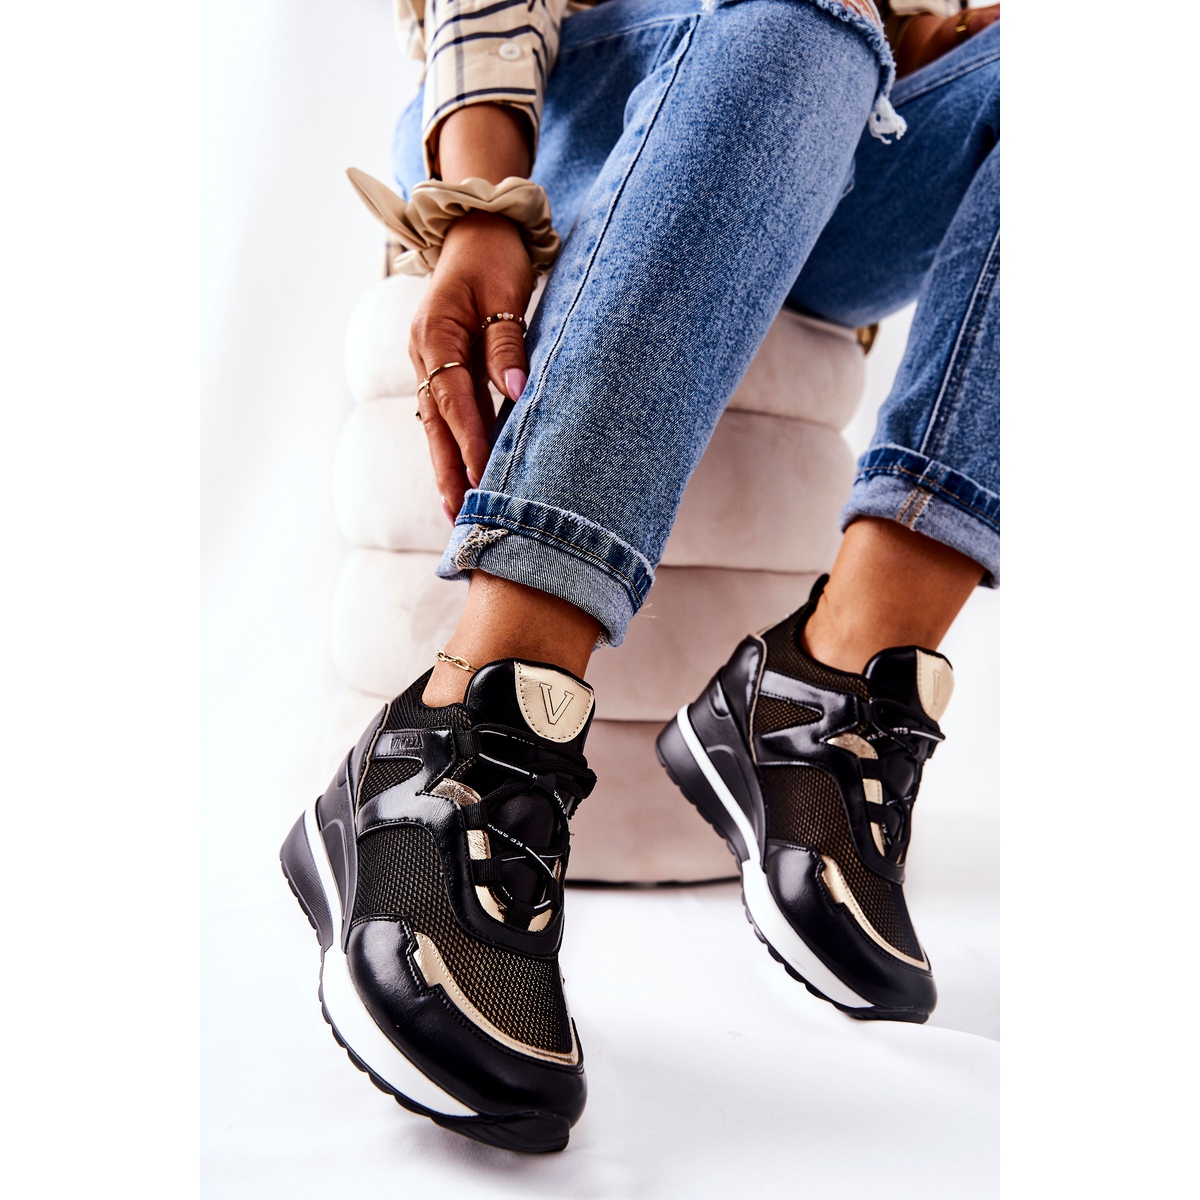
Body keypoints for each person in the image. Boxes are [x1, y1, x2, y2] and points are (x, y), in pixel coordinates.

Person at [280, 0, 999, 1153]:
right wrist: (482, 201)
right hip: (571, 100)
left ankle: (838, 684)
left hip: (825, 138)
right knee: (805, 22)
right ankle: (471, 729)